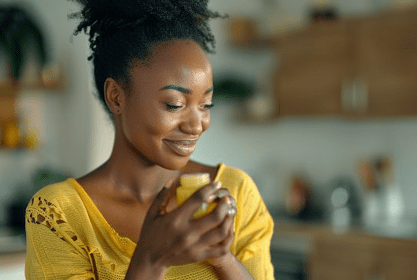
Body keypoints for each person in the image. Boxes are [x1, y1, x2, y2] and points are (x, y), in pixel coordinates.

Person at [24, 0, 275, 279]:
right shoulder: (59, 214)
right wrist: (151, 259)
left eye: (205, 105)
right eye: (174, 104)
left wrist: (221, 256)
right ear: (116, 97)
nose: (197, 125)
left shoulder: (235, 192)